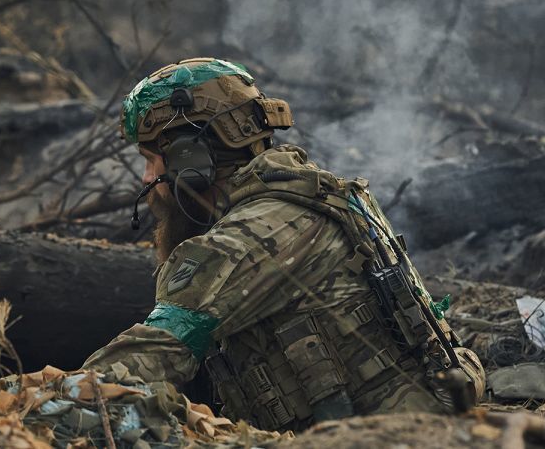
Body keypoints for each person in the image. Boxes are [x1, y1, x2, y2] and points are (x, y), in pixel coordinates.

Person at [82, 57, 485, 432]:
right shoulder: (316, 194)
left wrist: (34, 402)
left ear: (192, 157)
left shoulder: (250, 236)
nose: (146, 178)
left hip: (385, 437)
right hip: (416, 424)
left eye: (150, 159)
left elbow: (145, 359)